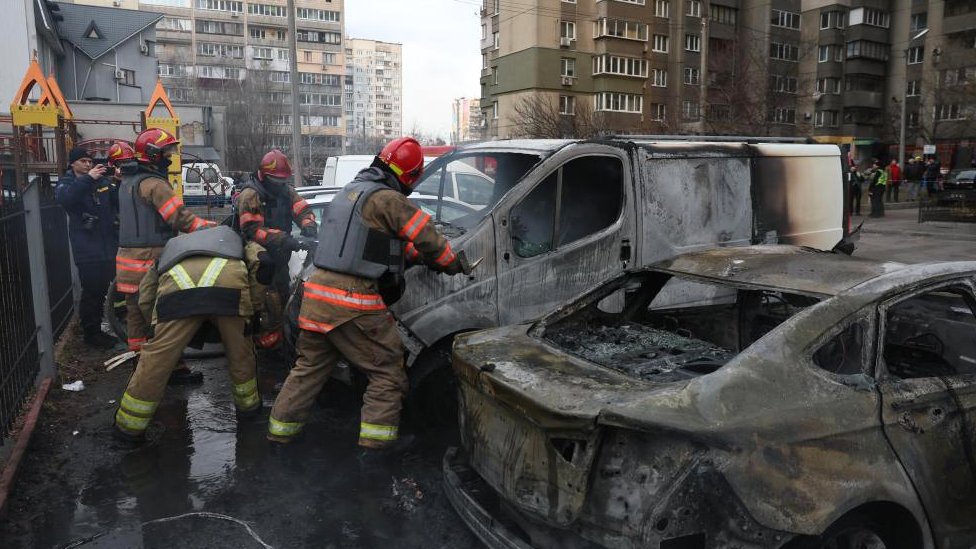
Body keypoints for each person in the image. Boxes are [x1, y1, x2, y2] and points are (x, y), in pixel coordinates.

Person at [267, 136, 475, 453]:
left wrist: (410, 256)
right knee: (388, 371)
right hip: (351, 300)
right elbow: (428, 238)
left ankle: (279, 437)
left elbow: (369, 244)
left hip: (315, 295)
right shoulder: (388, 199)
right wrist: (452, 264)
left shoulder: (349, 193)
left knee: (307, 370)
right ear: (409, 176)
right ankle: (376, 452)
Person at [114, 226, 274, 442]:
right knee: (240, 355)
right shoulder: (238, 240)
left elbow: (146, 295)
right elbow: (264, 263)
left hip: (176, 296)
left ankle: (127, 429)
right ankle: (249, 412)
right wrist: (252, 311)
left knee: (156, 361)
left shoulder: (171, 249)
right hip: (229, 290)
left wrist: (155, 327)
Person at [116, 128, 216, 383]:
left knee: (136, 316)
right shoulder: (154, 184)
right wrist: (210, 229)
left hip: (127, 262)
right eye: (166, 152)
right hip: (149, 261)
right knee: (164, 318)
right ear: (152, 154)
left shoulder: (128, 182)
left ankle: (141, 365)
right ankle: (173, 370)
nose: (169, 157)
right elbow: (179, 218)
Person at [234, 149, 318, 350]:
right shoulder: (251, 194)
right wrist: (283, 239)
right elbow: (252, 230)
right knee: (267, 296)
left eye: (283, 181)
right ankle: (260, 339)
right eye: (276, 181)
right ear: (265, 175)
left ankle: (278, 338)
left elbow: (303, 209)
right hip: (259, 252)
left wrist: (308, 224)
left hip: (280, 252)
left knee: (282, 293)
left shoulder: (286, 191)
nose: (280, 184)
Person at [56, 147, 120, 348]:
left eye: (89, 161)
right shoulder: (67, 183)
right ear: (72, 163)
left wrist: (118, 182)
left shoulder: (101, 182)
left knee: (102, 290)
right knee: (91, 290)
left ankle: (101, 329)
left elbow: (115, 202)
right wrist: (88, 179)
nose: (88, 164)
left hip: (107, 246)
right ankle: (91, 334)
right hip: (87, 249)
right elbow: (67, 199)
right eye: (83, 161)